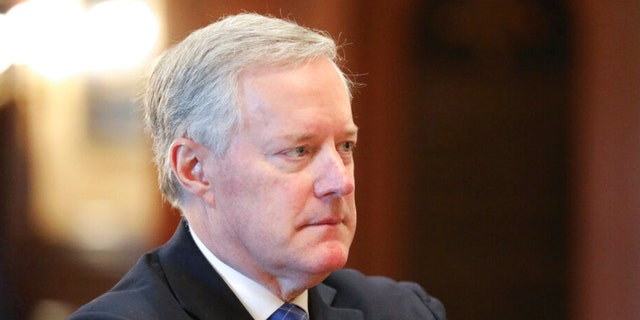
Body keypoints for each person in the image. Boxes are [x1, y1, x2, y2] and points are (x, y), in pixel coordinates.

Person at [68, 13, 445, 320]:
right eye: (299, 151)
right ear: (195, 168)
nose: (340, 182)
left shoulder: (404, 311)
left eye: (345, 146)